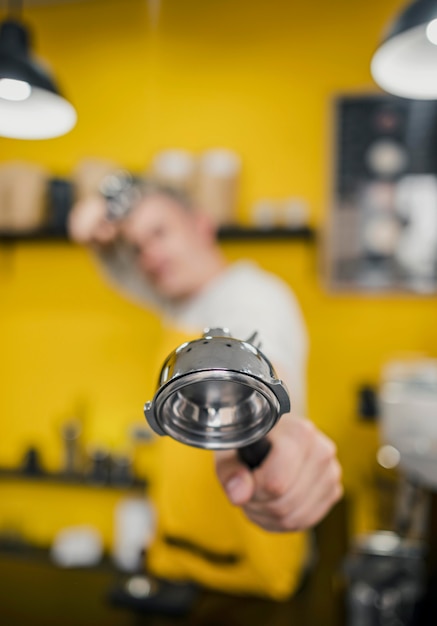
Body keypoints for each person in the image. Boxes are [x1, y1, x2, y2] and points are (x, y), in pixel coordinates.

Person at [68, 178, 343, 600]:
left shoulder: (251, 295)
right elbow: (116, 265)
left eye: (160, 232)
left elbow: (262, 368)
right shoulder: (179, 301)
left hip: (246, 581)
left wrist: (282, 438)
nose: (149, 256)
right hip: (183, 560)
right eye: (138, 247)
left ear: (202, 226)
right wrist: (90, 219)